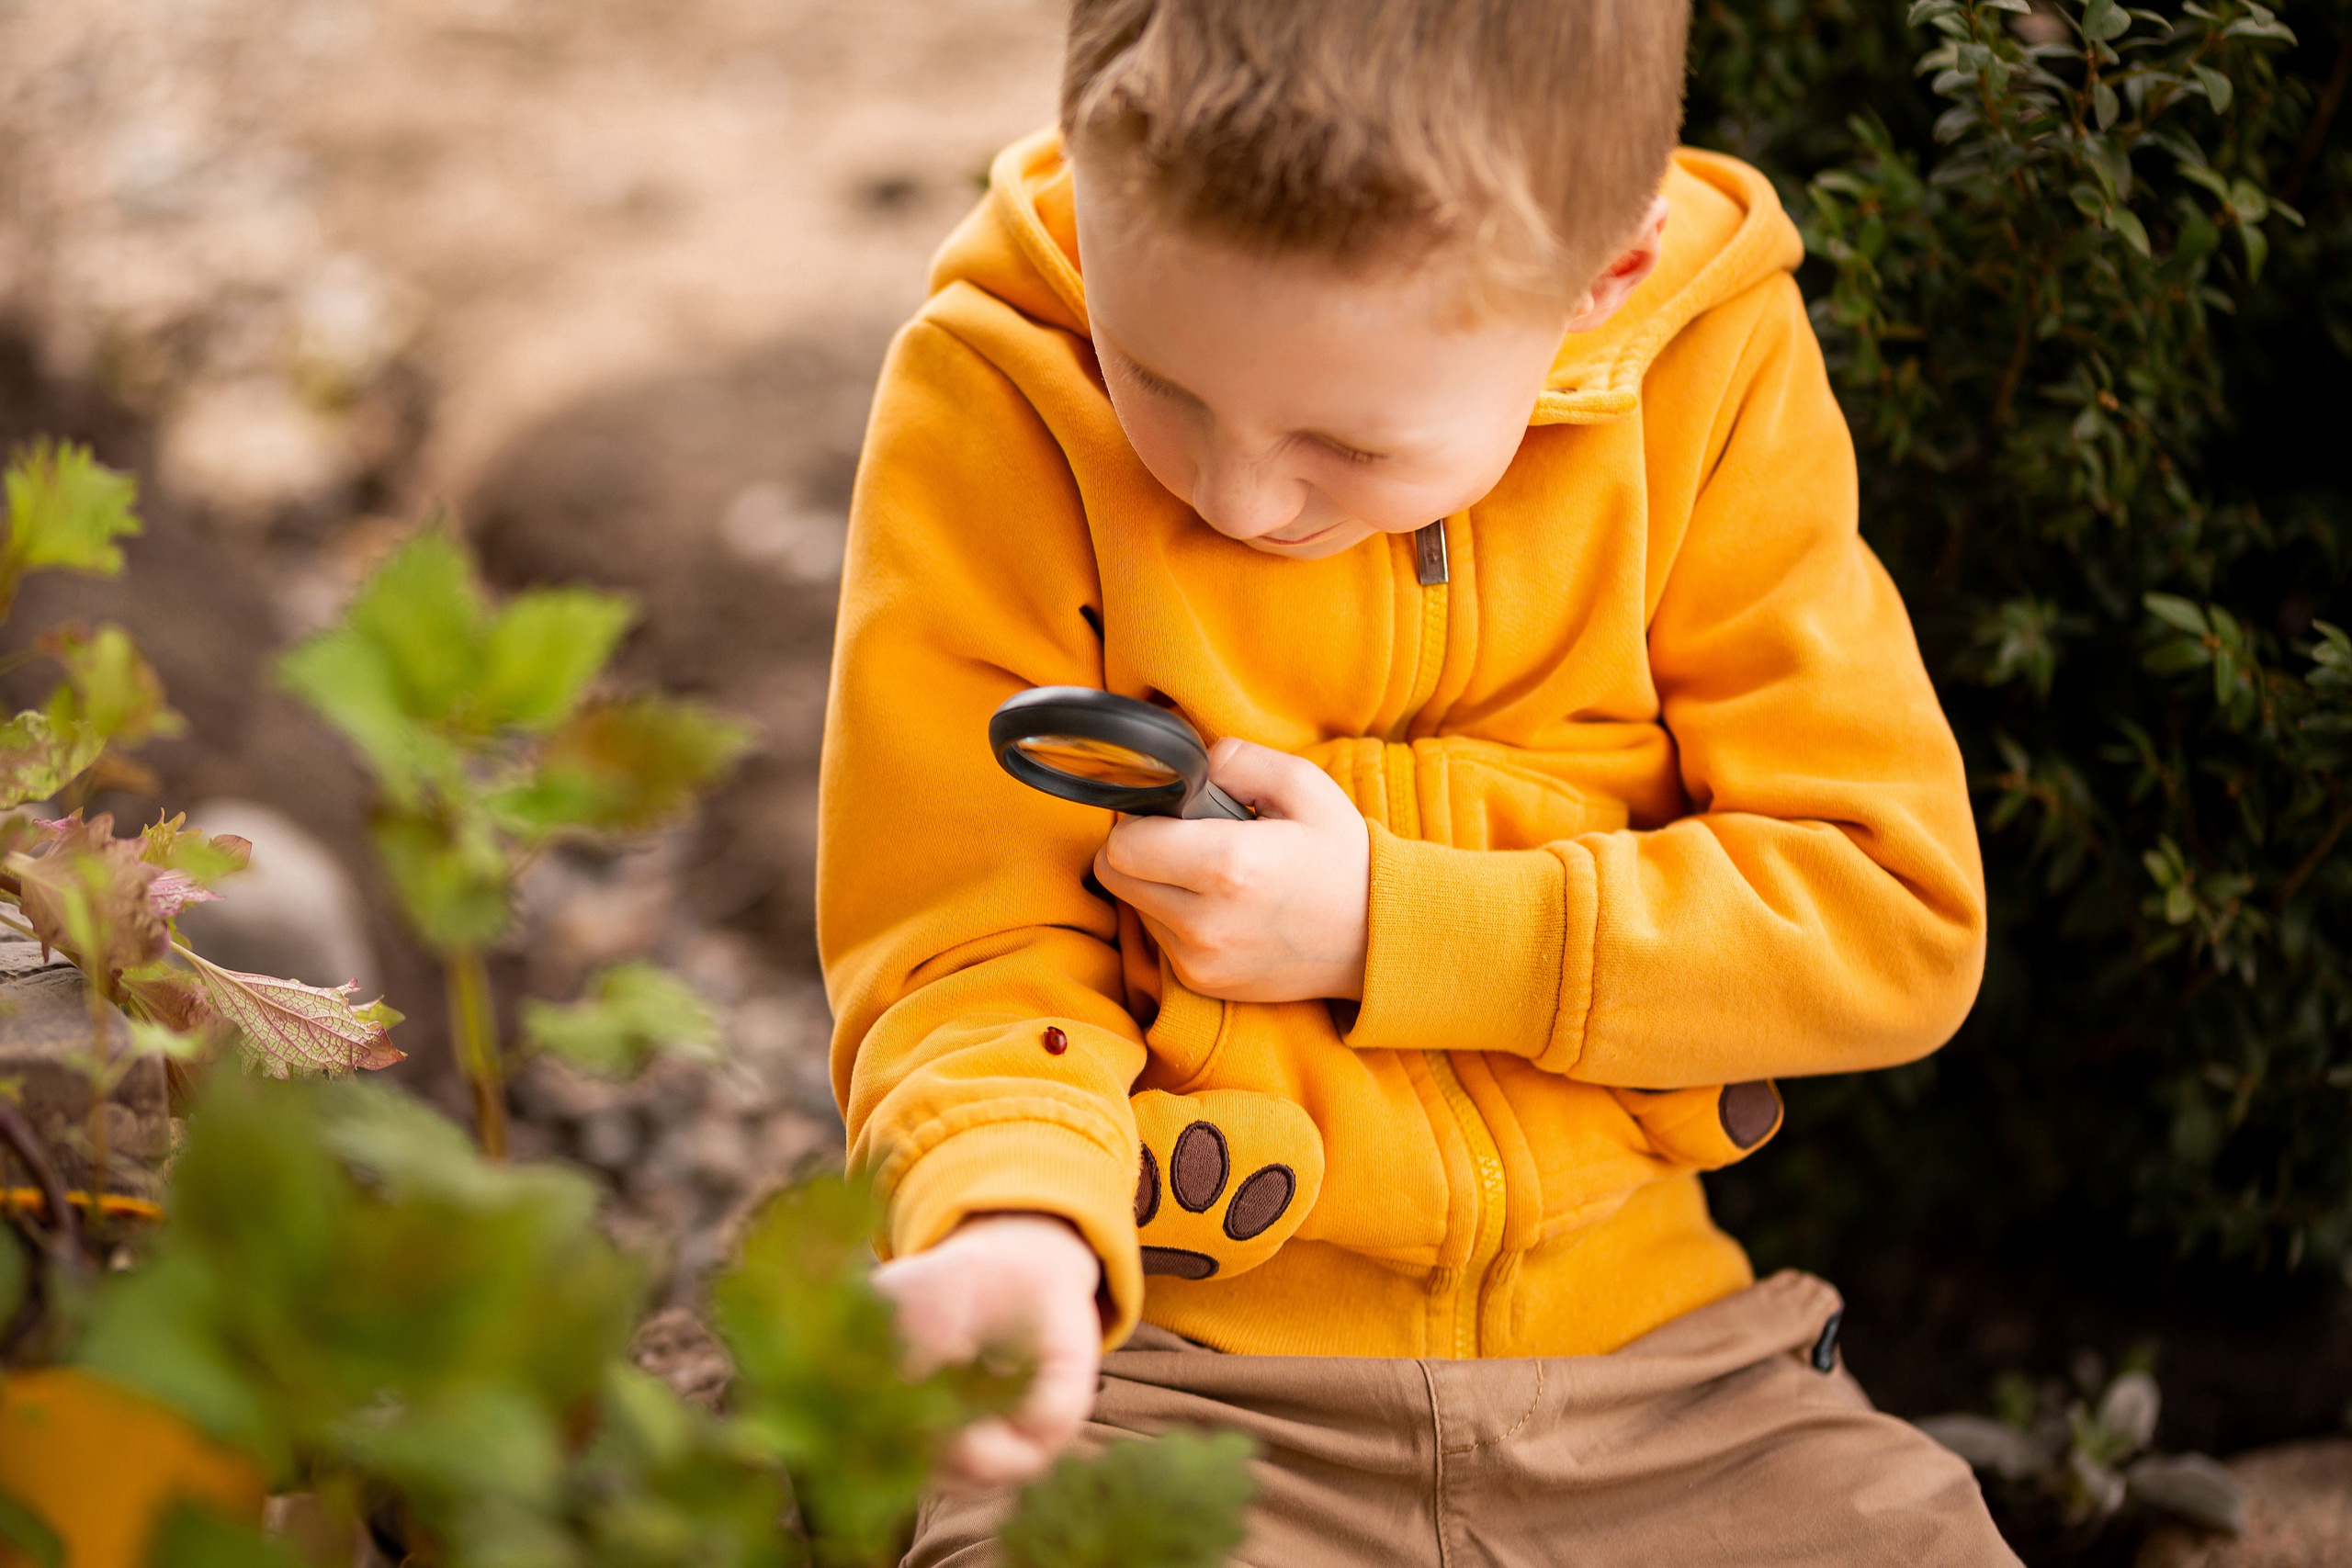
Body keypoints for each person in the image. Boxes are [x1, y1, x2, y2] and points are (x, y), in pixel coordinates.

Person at [819, 1, 2014, 1562]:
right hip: (1173, 1390)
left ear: (1606, 282)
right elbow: (961, 942)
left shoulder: (1709, 377)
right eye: (1160, 382)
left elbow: (1892, 914)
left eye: (1349, 443)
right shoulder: (1000, 392)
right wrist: (1015, 1221)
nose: (1237, 494)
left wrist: (1403, 924)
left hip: (1670, 1388)